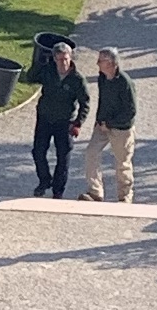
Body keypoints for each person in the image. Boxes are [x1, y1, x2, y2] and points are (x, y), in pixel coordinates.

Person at [30, 32, 90, 196]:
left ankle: (58, 191)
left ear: (70, 58)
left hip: (65, 122)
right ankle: (44, 180)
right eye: (60, 59)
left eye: (66, 59)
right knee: (38, 152)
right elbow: (30, 77)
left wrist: (78, 123)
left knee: (63, 158)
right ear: (54, 59)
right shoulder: (48, 71)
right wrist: (38, 63)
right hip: (45, 118)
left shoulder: (77, 79)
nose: (63, 63)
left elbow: (85, 103)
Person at [78, 44, 138, 202]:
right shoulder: (102, 78)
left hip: (121, 128)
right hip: (102, 125)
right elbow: (103, 101)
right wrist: (99, 121)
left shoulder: (125, 83)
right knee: (91, 153)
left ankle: (125, 196)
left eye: (100, 61)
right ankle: (95, 192)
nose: (97, 63)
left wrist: (110, 124)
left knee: (122, 163)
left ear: (111, 63)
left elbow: (130, 112)